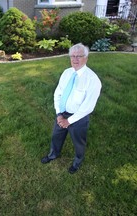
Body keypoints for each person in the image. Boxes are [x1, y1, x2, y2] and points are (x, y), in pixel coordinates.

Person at [41, 43, 102, 174]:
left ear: (86, 57)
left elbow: (88, 106)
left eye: (78, 56)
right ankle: (53, 155)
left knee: (78, 142)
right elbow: (57, 93)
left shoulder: (92, 79)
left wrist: (69, 121)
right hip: (62, 114)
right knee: (56, 137)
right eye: (72, 56)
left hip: (79, 118)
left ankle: (77, 162)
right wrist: (59, 114)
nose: (75, 59)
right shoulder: (66, 73)